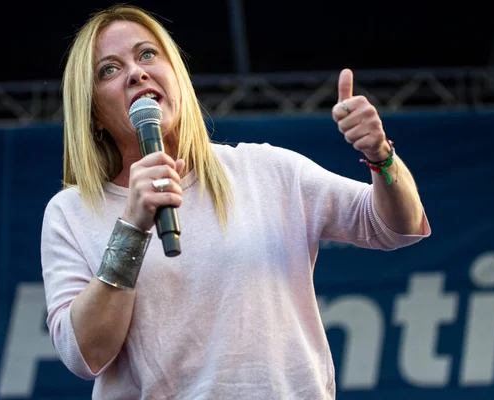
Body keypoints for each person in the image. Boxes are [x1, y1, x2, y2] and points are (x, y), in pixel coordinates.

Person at [40, 4, 431, 399]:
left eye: (147, 54)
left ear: (176, 74)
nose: (136, 73)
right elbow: (84, 354)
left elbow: (398, 227)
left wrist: (381, 156)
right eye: (110, 69)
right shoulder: (71, 213)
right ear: (93, 114)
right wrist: (131, 227)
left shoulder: (265, 170)